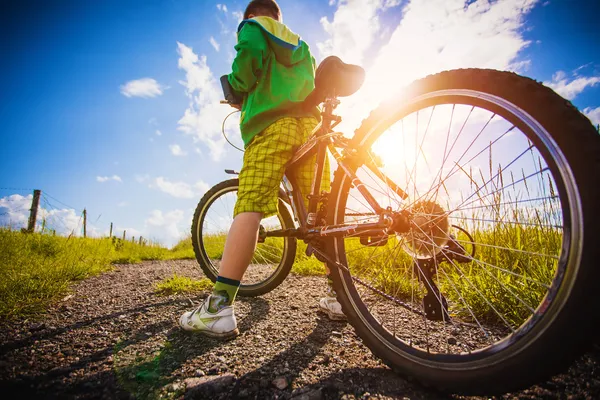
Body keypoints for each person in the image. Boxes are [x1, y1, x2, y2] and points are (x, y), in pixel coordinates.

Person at [178, 0, 345, 338]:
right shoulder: (301, 45)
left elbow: (248, 59)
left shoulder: (253, 28)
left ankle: (219, 308)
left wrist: (238, 89)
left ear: (252, 15)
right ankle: (343, 298)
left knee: (250, 204)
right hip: (310, 128)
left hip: (272, 125)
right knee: (322, 215)